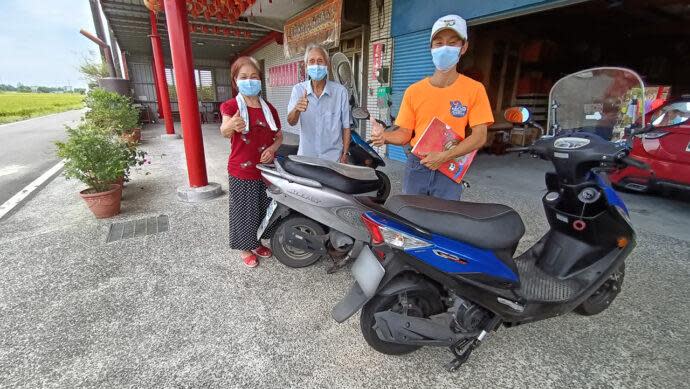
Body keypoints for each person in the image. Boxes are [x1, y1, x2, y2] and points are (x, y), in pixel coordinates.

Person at [371, 14, 494, 201]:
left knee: (445, 220)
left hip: (450, 165)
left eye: (452, 43)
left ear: (464, 47)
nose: (444, 48)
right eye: (439, 43)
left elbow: (479, 136)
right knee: (412, 218)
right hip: (417, 165)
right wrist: (384, 136)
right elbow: (405, 133)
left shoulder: (474, 89)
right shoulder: (414, 91)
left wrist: (445, 156)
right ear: (431, 47)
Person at [220, 56, 283, 268]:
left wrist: (273, 150)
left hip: (266, 169)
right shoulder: (230, 107)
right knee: (244, 211)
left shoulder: (270, 109)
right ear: (235, 80)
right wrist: (232, 126)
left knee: (263, 208)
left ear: (260, 80)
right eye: (243, 77)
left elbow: (279, 136)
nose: (249, 81)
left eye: (254, 76)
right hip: (242, 169)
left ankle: (257, 243)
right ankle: (245, 248)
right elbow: (223, 130)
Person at [287, 44, 351, 163]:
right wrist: (296, 109)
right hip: (306, 158)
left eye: (320, 61)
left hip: (333, 159)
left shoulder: (340, 92)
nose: (316, 65)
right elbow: (291, 122)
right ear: (306, 66)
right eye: (311, 61)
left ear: (327, 65)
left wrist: (345, 153)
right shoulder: (298, 90)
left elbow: (346, 127)